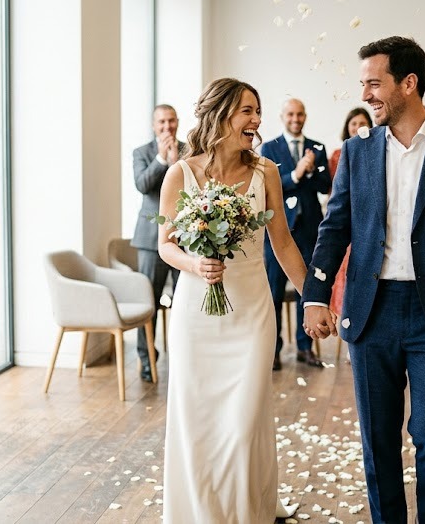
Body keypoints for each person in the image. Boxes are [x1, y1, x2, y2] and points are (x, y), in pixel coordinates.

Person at [302, 36, 425, 523]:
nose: (366, 94)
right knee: (378, 440)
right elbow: (335, 228)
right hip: (372, 313)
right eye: (364, 84)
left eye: (374, 83)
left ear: (408, 84)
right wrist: (314, 296)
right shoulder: (356, 150)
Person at [158, 78, 308, 522]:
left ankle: (247, 511)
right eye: (248, 110)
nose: (257, 121)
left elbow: (281, 242)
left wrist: (314, 300)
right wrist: (194, 265)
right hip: (195, 316)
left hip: (252, 312)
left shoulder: (267, 173)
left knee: (244, 425)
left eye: (258, 111)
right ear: (221, 115)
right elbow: (166, 244)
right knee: (200, 422)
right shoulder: (179, 174)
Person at [260, 98, 332, 369]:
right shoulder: (269, 147)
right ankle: (274, 351)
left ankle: (306, 347)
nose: (296, 118)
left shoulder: (317, 148)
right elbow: (271, 186)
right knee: (274, 292)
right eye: (291, 114)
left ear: (305, 116)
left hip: (310, 231)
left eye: (300, 114)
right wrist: (297, 173)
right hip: (278, 231)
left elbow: (327, 186)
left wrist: (312, 171)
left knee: (309, 291)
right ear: (282, 116)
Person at [132, 104, 187, 382]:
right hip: (150, 238)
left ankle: (183, 354)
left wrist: (177, 161)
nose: (167, 127)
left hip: (184, 238)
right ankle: (146, 358)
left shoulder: (189, 150)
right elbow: (142, 185)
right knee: (149, 301)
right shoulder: (141, 153)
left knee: (184, 299)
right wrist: (163, 161)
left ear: (178, 122)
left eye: (171, 121)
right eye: (162, 122)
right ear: (154, 125)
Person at [328, 107, 372, 317]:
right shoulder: (338, 155)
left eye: (362, 123)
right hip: (348, 218)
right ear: (347, 127)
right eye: (353, 123)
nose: (358, 127)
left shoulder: (379, 152)